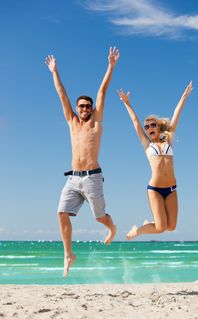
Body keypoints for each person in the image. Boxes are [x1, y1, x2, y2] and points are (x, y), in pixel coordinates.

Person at [45, 47, 119, 276]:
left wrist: (111, 66)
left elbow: (103, 91)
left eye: (88, 106)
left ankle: (112, 228)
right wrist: (54, 71)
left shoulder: (96, 122)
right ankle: (68, 254)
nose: (85, 108)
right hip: (73, 179)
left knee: (100, 217)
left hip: (93, 177)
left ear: (92, 109)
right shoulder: (72, 121)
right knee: (60, 213)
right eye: (82, 106)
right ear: (77, 109)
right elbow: (61, 94)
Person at [118, 81, 192, 240]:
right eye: (147, 127)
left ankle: (148, 222)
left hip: (172, 188)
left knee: (171, 227)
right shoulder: (147, 145)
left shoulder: (168, 141)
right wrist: (127, 103)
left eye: (152, 125)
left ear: (158, 127)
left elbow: (176, 115)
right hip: (155, 189)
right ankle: (138, 230)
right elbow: (135, 123)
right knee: (160, 228)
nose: (149, 128)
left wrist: (184, 97)